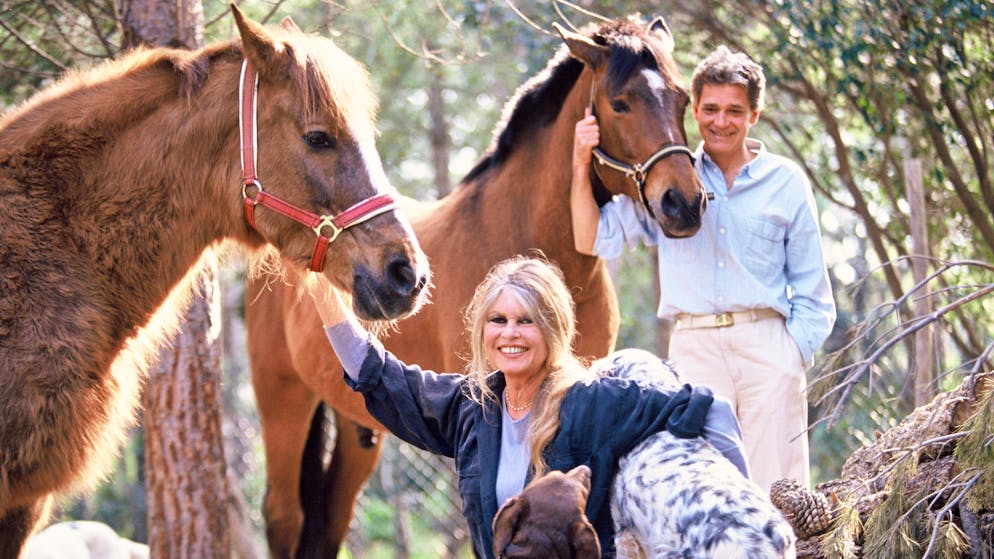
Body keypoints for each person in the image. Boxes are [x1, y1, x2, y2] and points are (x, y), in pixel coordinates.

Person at [309, 255, 748, 559]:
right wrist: (318, 282)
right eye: (498, 320)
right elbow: (381, 377)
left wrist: (741, 512)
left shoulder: (592, 403)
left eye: (526, 321)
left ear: (553, 328)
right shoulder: (472, 406)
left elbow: (711, 411)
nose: (510, 334)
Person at [570, 45, 836, 493]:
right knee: (705, 495)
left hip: (768, 348)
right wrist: (581, 164)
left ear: (754, 115)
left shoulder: (786, 182)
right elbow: (591, 237)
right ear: (694, 110)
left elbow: (813, 290)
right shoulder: (669, 180)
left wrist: (790, 357)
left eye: (734, 110)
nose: (720, 121)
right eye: (710, 109)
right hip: (695, 352)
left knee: (779, 495)